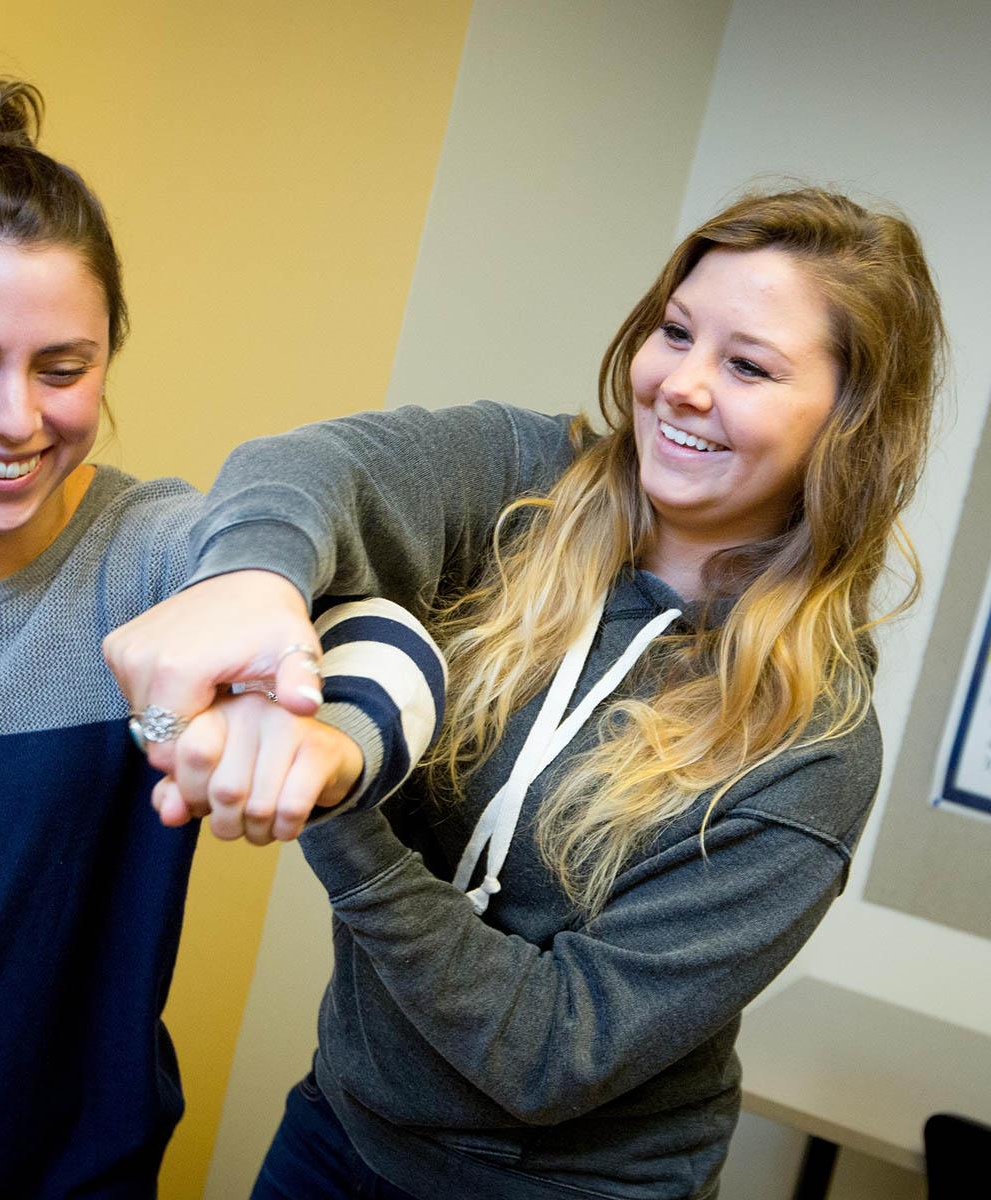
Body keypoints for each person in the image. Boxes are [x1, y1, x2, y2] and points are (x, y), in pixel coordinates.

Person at [104, 188, 945, 1199]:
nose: (680, 383)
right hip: (342, 1128)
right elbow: (310, 471)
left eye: (749, 365)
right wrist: (251, 582)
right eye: (675, 332)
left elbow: (554, 1053)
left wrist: (336, 794)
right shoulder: (522, 480)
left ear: (850, 425)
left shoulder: (812, 745)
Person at [0, 41, 445, 1199]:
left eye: (63, 367)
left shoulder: (154, 556)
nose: (16, 418)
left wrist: (319, 737)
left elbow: (382, 638)